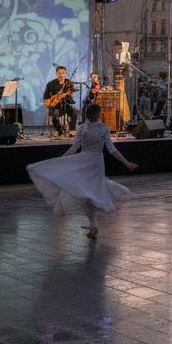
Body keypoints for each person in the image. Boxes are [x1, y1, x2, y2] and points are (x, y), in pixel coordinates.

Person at [27, 102, 138, 240]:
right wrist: (126, 162)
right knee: (92, 191)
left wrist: (61, 159)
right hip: (96, 163)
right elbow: (112, 150)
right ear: (98, 114)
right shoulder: (104, 128)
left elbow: (74, 149)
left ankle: (93, 223)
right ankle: (93, 223)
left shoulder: (81, 128)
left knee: (85, 193)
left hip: (84, 161)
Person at [43, 66, 75, 136]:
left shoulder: (68, 83)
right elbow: (45, 97)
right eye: (59, 73)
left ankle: (72, 130)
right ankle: (59, 130)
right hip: (54, 106)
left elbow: (70, 99)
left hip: (64, 104)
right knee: (54, 115)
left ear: (65, 74)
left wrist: (68, 97)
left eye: (63, 73)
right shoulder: (50, 84)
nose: (61, 75)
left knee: (74, 111)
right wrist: (54, 99)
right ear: (56, 74)